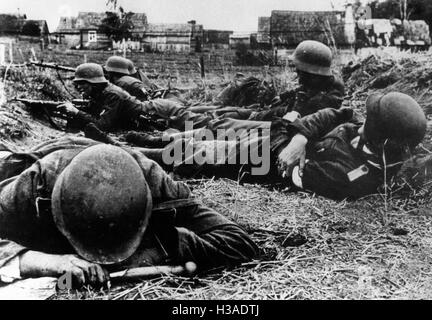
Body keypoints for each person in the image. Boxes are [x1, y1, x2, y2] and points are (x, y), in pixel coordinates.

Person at [0, 137, 258, 287]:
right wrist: (47, 262)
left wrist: (163, 247)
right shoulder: (32, 187)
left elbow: (239, 242)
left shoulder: (159, 187)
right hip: (45, 155)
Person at [137, 92, 427, 200]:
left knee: (191, 153)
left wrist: (286, 132)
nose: (363, 119)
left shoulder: (353, 177)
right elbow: (331, 115)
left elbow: (287, 169)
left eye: (371, 118)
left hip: (260, 163)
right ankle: (135, 144)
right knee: (192, 138)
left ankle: (126, 155)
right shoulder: (364, 134)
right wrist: (300, 138)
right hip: (270, 143)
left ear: (379, 134)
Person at [58, 63, 214, 133]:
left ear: (93, 83)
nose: (78, 88)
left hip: (163, 112)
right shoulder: (101, 93)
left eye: (82, 84)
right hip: (156, 114)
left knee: (211, 124)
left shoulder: (112, 94)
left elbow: (103, 125)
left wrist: (76, 113)